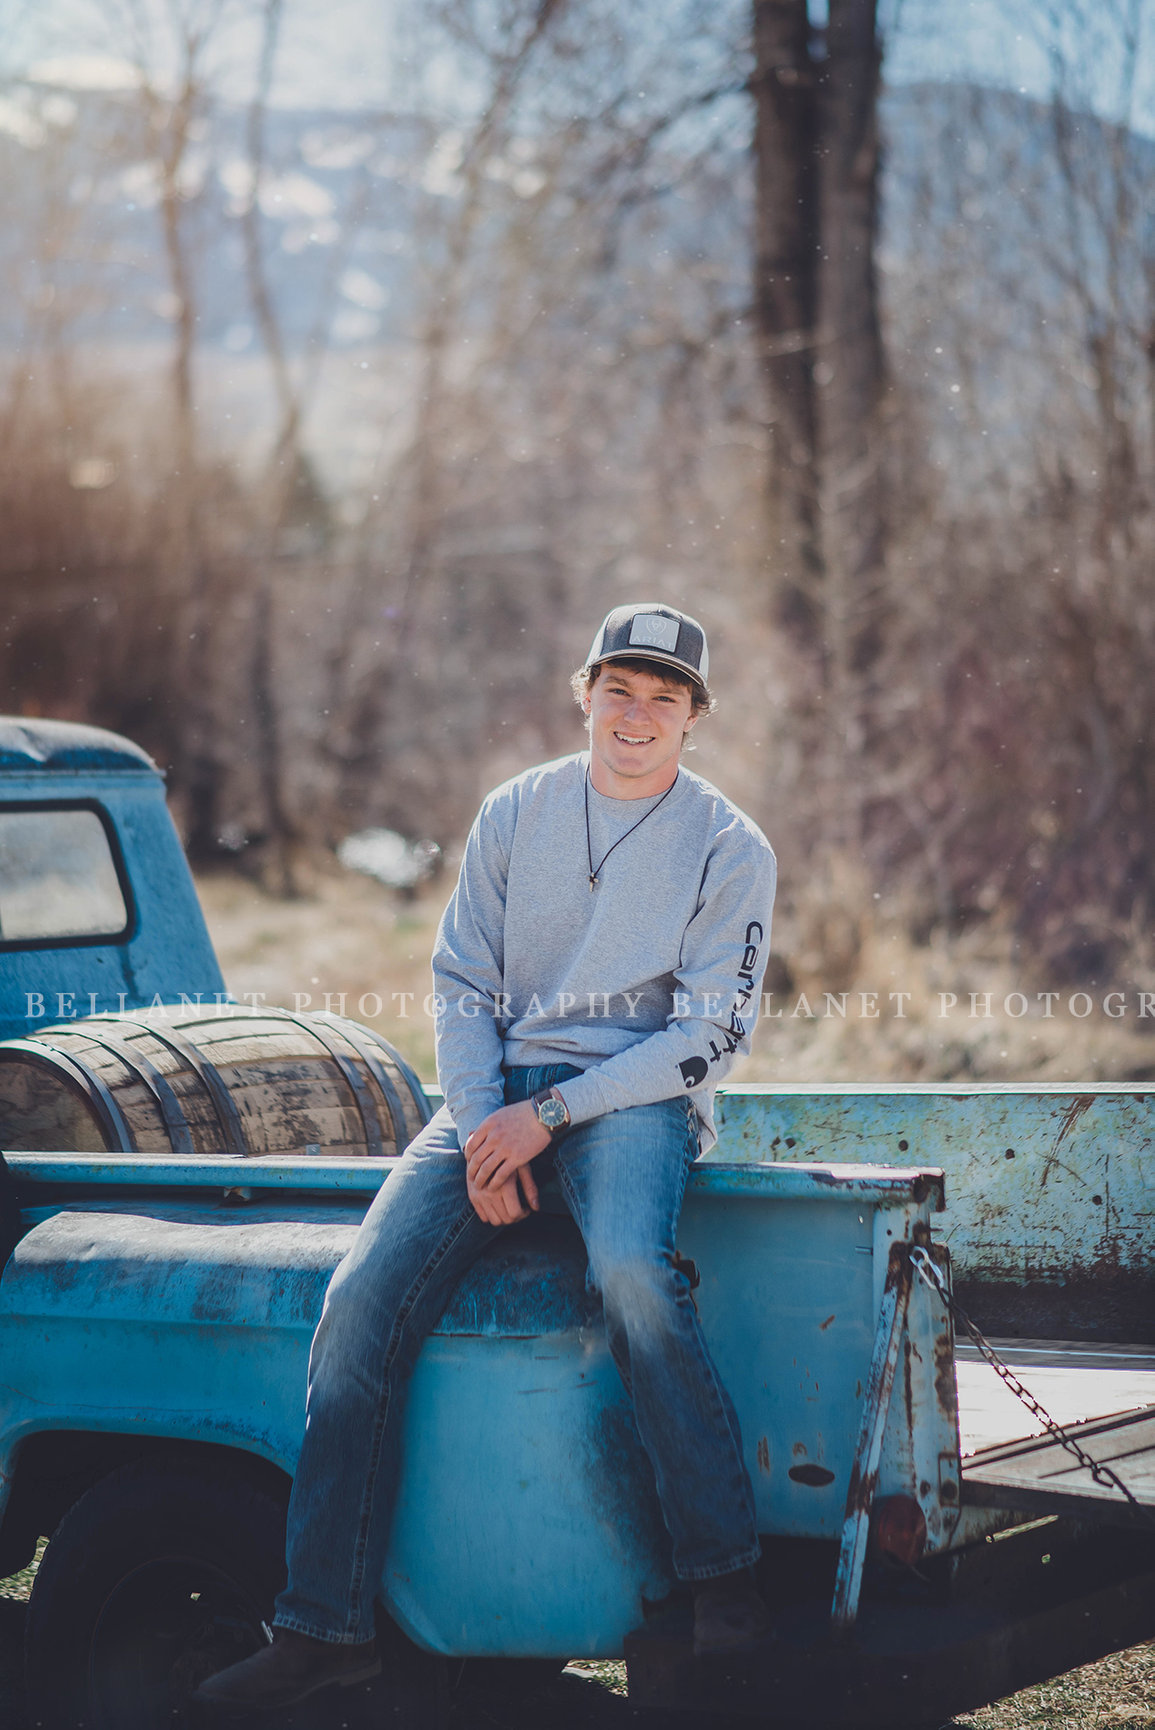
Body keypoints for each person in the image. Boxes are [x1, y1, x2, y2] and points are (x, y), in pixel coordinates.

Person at [194, 602, 777, 1715]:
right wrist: (477, 1125)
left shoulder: (730, 846)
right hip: (490, 1099)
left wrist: (547, 1116)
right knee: (358, 1301)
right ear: (586, 690)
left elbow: (707, 1036)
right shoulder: (517, 811)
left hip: (633, 1099)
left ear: (695, 717)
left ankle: (723, 1573)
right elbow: (462, 981)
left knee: (635, 1278)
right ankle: (322, 1623)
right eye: (621, 688)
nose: (638, 714)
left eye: (665, 696)